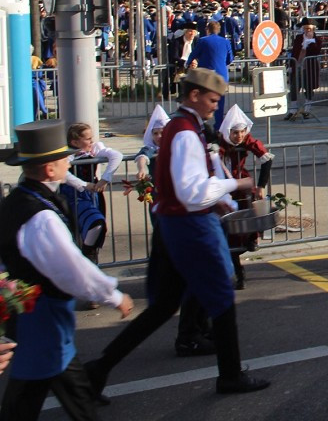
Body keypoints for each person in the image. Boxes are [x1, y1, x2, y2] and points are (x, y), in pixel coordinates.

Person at [131, 68, 268, 393]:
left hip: (182, 222)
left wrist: (225, 202)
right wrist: (236, 184)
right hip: (186, 224)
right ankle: (229, 374)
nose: (214, 107)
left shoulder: (188, 128)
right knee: (220, 292)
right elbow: (192, 192)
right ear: (194, 96)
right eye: (211, 100)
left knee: (167, 305)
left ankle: (101, 367)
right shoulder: (183, 131)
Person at [0, 120, 134, 421]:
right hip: (41, 316)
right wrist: (112, 294)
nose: (67, 161)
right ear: (49, 169)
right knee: (30, 396)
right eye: (63, 157)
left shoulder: (20, 200)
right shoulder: (41, 216)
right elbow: (71, 269)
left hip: (36, 316)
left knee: (51, 388)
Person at [127, 105, 215, 359]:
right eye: (156, 133)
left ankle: (200, 332)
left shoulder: (179, 146)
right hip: (173, 220)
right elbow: (143, 157)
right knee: (179, 292)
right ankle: (192, 337)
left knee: (190, 286)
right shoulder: (165, 149)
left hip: (180, 220)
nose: (160, 136)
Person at [218, 104, 274, 290]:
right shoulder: (219, 144)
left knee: (251, 218)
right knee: (230, 233)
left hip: (243, 187)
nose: (239, 136)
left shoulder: (247, 141)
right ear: (228, 131)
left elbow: (266, 158)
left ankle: (252, 238)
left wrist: (261, 186)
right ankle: (238, 273)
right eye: (235, 132)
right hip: (224, 189)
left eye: (242, 131)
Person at [61, 123, 123, 271]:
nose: (91, 141)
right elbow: (64, 173)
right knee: (93, 222)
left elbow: (117, 155)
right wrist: (83, 184)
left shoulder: (95, 148)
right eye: (88, 138)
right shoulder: (67, 154)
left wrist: (105, 178)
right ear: (75, 142)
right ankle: (85, 255)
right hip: (74, 195)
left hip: (93, 195)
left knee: (97, 225)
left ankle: (89, 254)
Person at [187, 20, 234, 129]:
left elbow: (193, 54)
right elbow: (230, 59)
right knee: (219, 101)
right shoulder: (225, 41)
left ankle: (200, 124)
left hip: (206, 76)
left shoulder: (203, 41)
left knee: (202, 99)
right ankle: (219, 125)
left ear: (207, 29)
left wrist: (188, 64)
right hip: (221, 75)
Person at [285, 18, 322, 120]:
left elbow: (316, 51)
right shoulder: (298, 38)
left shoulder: (317, 40)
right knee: (294, 88)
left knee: (308, 88)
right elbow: (294, 52)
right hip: (298, 66)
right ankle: (292, 110)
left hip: (309, 67)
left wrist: (310, 43)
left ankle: (307, 110)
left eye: (309, 29)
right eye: (305, 28)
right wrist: (291, 65)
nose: (307, 31)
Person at [168, 21, 198, 93]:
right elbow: (174, 56)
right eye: (190, 32)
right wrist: (186, 63)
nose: (192, 34)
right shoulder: (177, 42)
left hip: (194, 66)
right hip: (180, 67)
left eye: (194, 32)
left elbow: (199, 54)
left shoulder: (197, 41)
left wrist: (195, 61)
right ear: (185, 32)